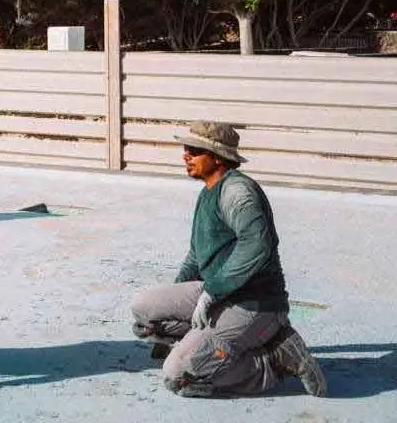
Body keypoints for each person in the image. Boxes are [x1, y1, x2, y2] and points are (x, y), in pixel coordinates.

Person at [130, 120, 327, 397]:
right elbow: (197, 256)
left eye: (195, 150)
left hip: (254, 303)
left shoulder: (237, 192)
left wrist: (211, 293)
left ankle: (274, 358)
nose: (185, 155)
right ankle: (199, 343)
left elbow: (257, 244)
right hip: (219, 293)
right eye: (187, 148)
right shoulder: (207, 192)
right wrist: (175, 301)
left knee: (179, 374)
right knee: (144, 310)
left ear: (218, 158)